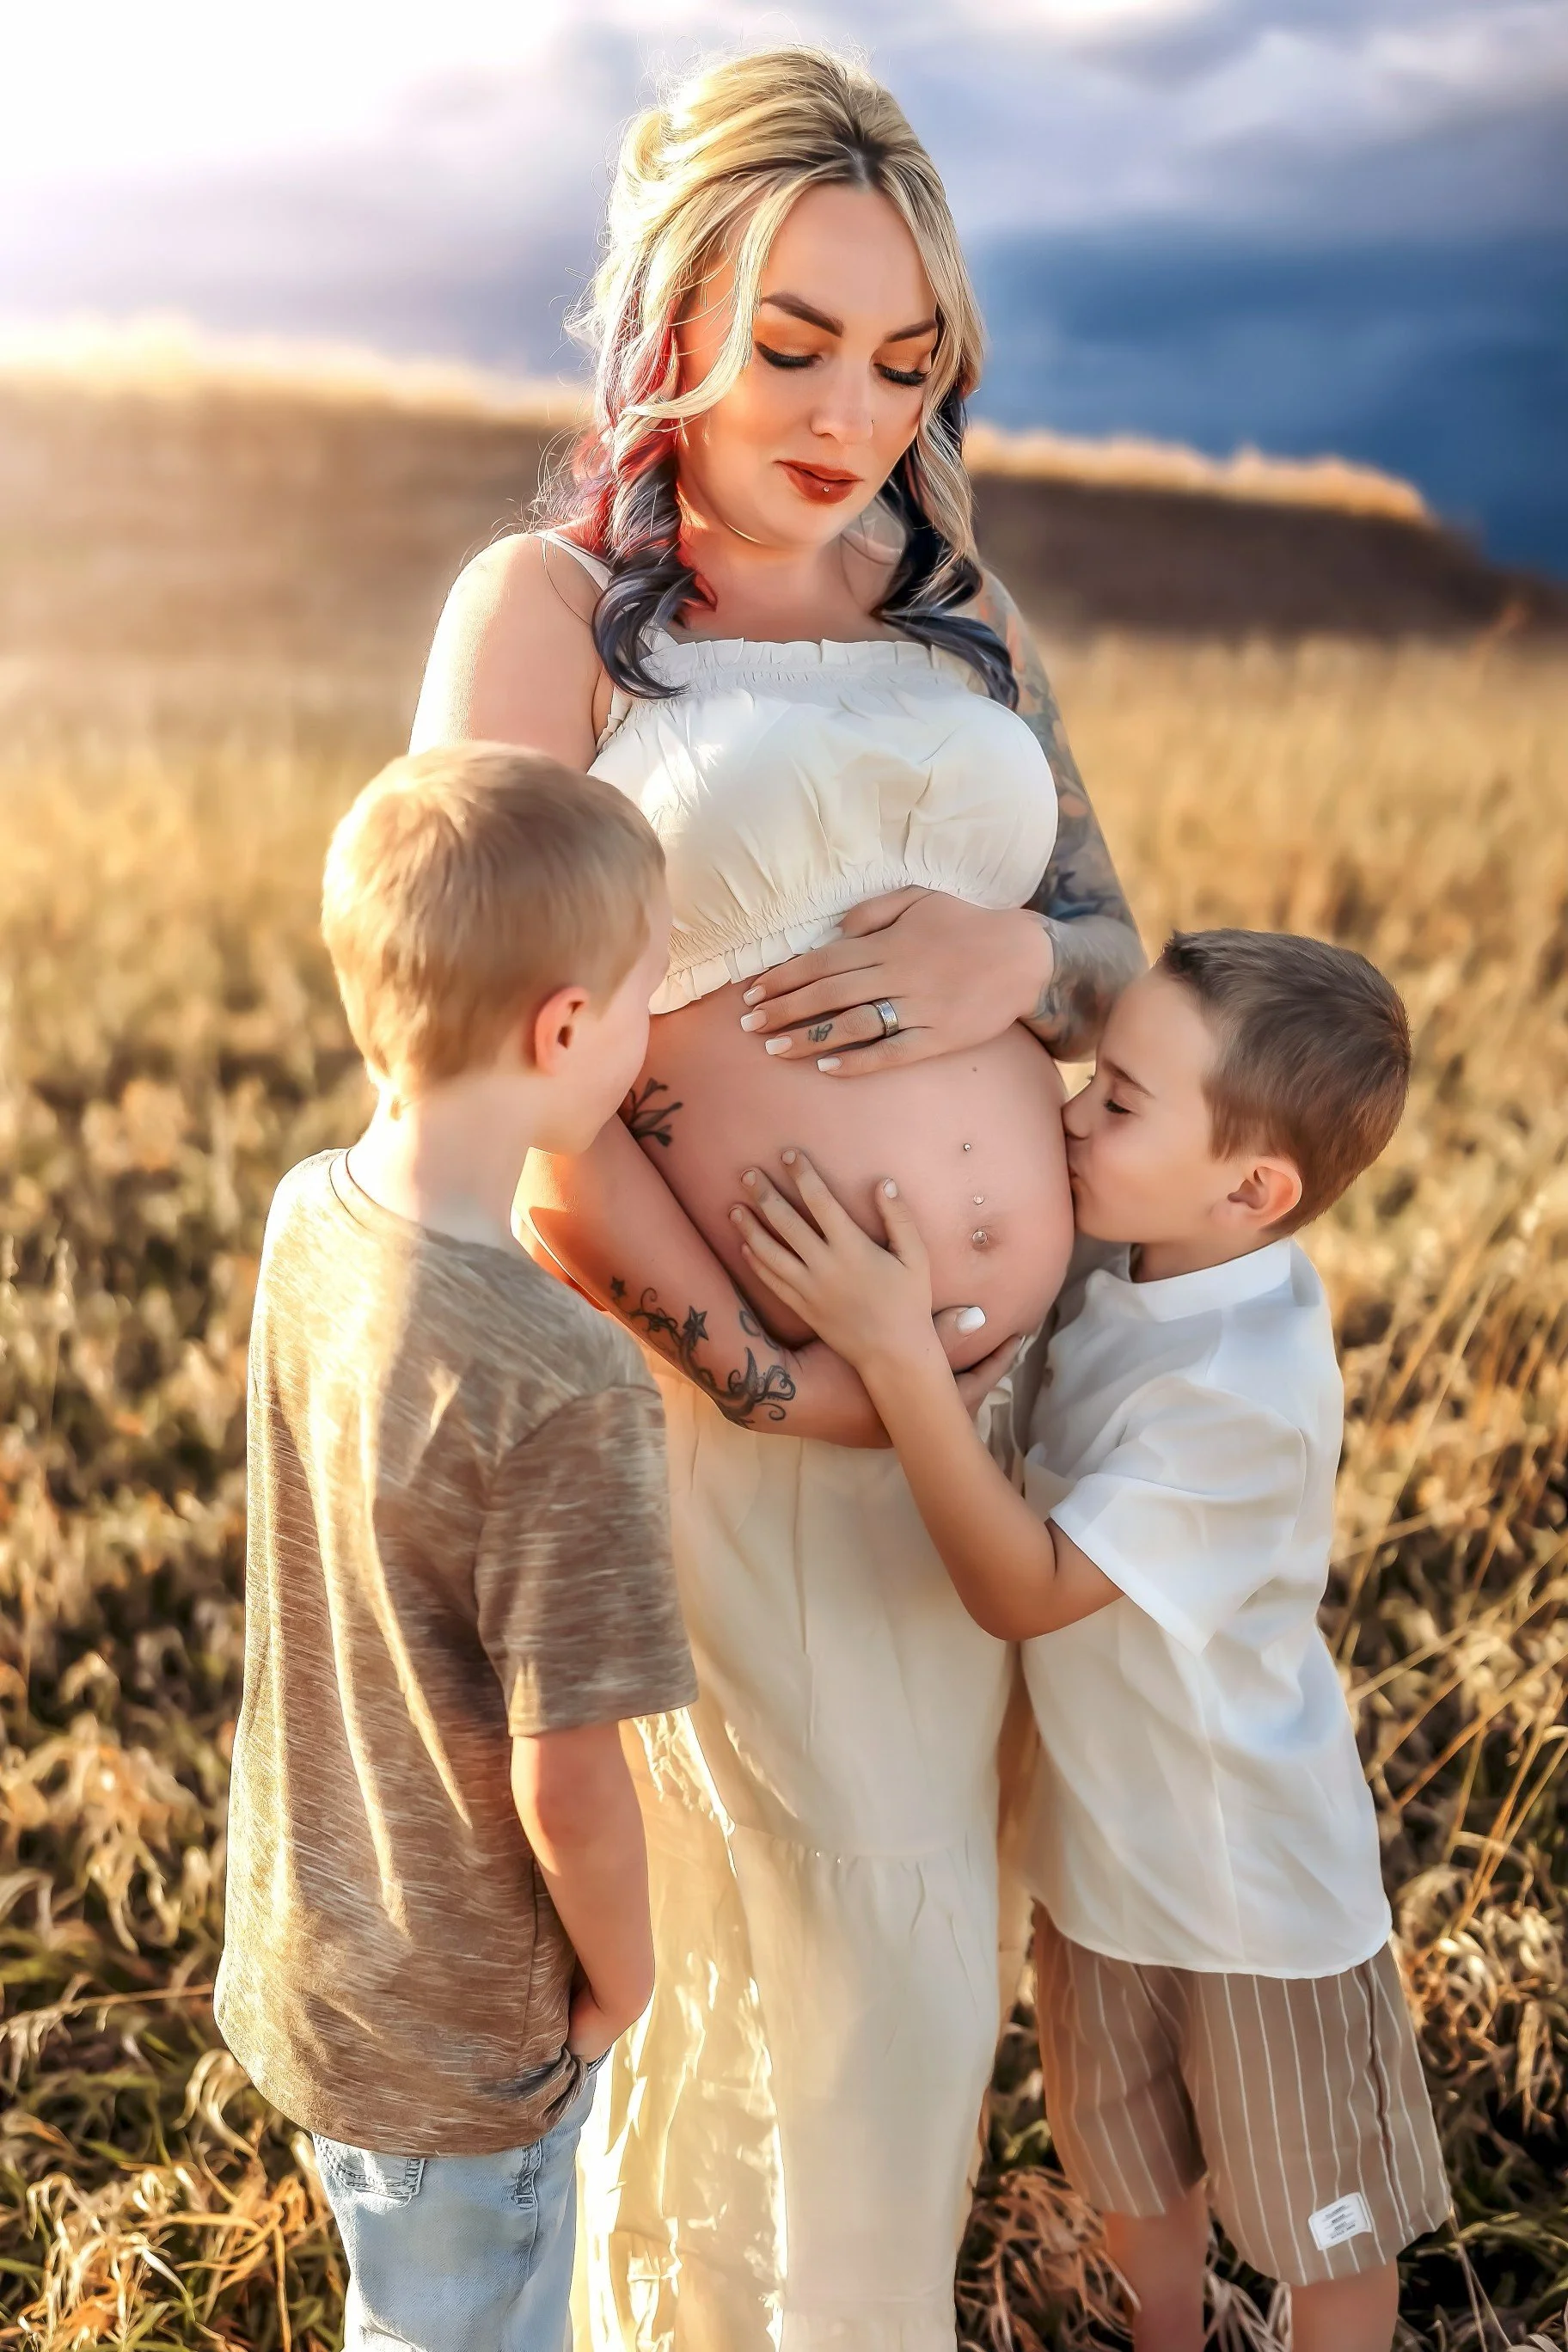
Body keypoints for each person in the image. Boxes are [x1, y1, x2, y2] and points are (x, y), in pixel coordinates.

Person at [411, 48, 1142, 2349]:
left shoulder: (954, 598)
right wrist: (759, 1359)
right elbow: (471, 1054)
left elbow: (1128, 955)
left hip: (982, 1434)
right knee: (836, 1949)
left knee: (917, 1961)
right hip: (728, 1428)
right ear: (668, 311)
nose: (847, 412)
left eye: (903, 357)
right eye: (794, 340)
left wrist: (1014, 952)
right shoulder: (550, 611)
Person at [732, 928, 1451, 2352]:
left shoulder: (1240, 1395)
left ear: (1253, 1190)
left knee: (1323, 2220)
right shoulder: (1144, 1257)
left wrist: (891, 1350)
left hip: (1254, 1903)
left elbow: (1025, 1584)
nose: (1072, 1116)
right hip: (1105, 1866)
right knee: (1136, 2184)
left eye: (1120, 1102)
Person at [215, 745, 700, 2352]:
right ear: (567, 1032)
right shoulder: (564, 1382)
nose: (649, 1034)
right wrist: (621, 1982)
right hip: (467, 2026)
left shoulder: (305, 1220)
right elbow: (570, 1779)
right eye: (643, 1002)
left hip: (315, 1941)